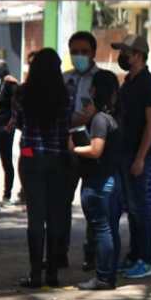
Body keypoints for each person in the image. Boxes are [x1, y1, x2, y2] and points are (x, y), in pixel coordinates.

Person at [13, 49, 73, 288]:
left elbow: (19, 123)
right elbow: (67, 127)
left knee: (35, 217)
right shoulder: (65, 95)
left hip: (31, 157)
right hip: (58, 159)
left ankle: (35, 274)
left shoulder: (22, 93)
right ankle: (53, 274)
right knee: (55, 217)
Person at [112, 34, 151, 280]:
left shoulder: (149, 85)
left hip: (136, 154)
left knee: (139, 208)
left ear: (139, 56)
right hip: (123, 152)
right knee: (131, 209)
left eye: (126, 52)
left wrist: (141, 157)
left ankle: (145, 259)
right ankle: (134, 256)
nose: (122, 56)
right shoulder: (128, 82)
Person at [72, 70, 123, 291]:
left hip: (99, 183)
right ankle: (109, 274)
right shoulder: (112, 118)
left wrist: (74, 148)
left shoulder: (100, 120)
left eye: (92, 87)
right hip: (110, 181)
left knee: (102, 229)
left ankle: (103, 277)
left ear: (95, 90)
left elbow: (95, 150)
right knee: (109, 229)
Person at [57, 31, 101, 270]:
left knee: (92, 201)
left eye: (84, 51)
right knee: (62, 201)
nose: (79, 56)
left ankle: (91, 254)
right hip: (67, 145)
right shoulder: (64, 79)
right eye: (75, 52)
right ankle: (59, 252)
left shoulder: (102, 79)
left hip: (94, 145)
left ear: (93, 52)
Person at [0, 61, 18, 208]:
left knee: (6, 161)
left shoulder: (11, 83)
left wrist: (11, 123)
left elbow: (16, 106)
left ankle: (7, 195)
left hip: (5, 128)